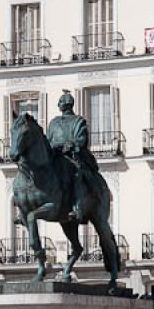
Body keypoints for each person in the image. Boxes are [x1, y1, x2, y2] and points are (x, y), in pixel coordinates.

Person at [46, 90, 101, 222]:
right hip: (55, 158)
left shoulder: (78, 121)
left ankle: (77, 208)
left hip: (72, 158)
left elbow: (81, 139)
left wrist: (71, 144)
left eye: (61, 102)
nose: (59, 104)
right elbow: (48, 140)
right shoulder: (54, 122)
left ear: (67, 104)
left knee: (76, 176)